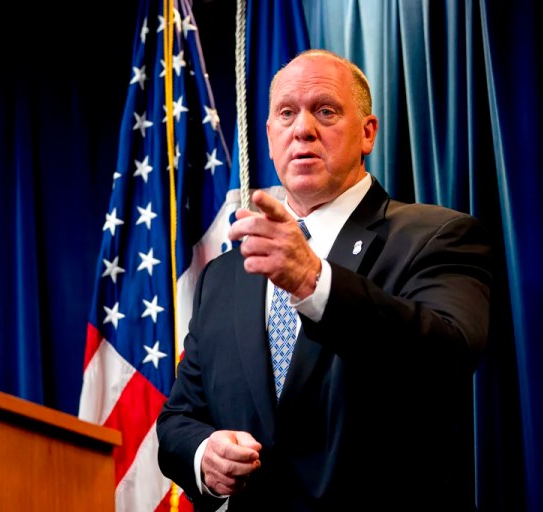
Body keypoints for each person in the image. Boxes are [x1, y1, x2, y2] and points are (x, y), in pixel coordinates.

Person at [157, 49, 492, 511]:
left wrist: (315, 281)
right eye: (286, 114)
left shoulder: (438, 236)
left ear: (367, 132)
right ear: (270, 136)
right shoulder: (227, 274)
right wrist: (203, 455)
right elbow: (179, 418)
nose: (303, 129)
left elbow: (447, 356)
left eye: (326, 111)